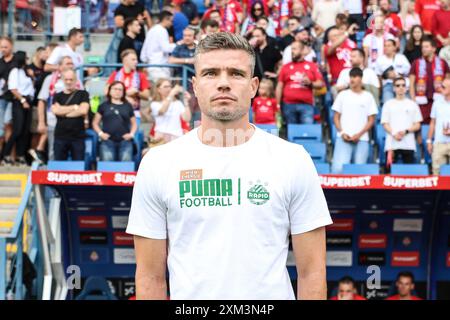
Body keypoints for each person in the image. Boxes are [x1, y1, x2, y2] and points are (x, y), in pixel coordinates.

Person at [126, 32, 332, 300]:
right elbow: (150, 277)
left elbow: (312, 272)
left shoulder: (292, 159)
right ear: (195, 86)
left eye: (235, 73)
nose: (223, 83)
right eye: (211, 73)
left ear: (254, 86)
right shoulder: (158, 163)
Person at [331, 67, 378, 174]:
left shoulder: (368, 96)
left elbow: (371, 120)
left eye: (355, 77)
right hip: (343, 137)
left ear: (361, 79)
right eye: (351, 77)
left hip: (362, 139)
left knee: (360, 173)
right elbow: (336, 117)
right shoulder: (342, 95)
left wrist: (359, 134)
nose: (352, 79)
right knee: (338, 170)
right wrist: (342, 133)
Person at [276, 41, 324, 125]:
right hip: (288, 105)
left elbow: (321, 84)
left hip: (306, 105)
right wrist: (277, 104)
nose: (292, 51)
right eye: (291, 49)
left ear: (302, 51)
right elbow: (279, 87)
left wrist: (310, 83)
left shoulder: (312, 65)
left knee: (306, 133)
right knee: (291, 134)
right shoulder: (285, 67)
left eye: (294, 49)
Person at [1, 51, 34, 166]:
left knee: (25, 131)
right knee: (17, 130)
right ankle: (5, 155)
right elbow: (13, 89)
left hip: (28, 100)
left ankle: (20, 155)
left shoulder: (26, 72)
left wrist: (32, 76)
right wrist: (22, 100)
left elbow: (30, 86)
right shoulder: (15, 71)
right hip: (19, 101)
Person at [381, 77, 423, 166]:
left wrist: (405, 131)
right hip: (391, 145)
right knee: (389, 176)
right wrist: (394, 134)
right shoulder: (388, 104)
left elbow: (418, 124)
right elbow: (385, 123)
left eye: (403, 85)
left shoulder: (413, 104)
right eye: (398, 85)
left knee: (408, 176)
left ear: (406, 88)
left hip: (408, 144)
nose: (401, 87)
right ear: (393, 88)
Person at [92, 81, 137, 162]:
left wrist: (131, 134)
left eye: (120, 89)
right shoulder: (103, 106)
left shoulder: (128, 106)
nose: (117, 91)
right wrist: (101, 134)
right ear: (109, 91)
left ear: (123, 92)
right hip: (107, 141)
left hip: (125, 141)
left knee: (125, 167)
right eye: (115, 89)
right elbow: (95, 123)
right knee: (107, 167)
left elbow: (134, 123)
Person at [51, 69, 90, 161]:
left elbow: (84, 110)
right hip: (60, 135)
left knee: (78, 165)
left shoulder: (83, 94)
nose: (68, 82)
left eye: (71, 79)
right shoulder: (57, 96)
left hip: (78, 136)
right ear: (63, 80)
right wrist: (75, 107)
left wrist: (63, 112)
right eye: (66, 79)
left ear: (76, 80)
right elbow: (56, 111)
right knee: (59, 165)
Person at [409, 37, 450, 124]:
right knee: (420, 125)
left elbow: (447, 82)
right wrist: (413, 99)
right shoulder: (416, 63)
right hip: (421, 102)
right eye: (423, 47)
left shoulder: (442, 62)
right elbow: (411, 83)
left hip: (439, 100)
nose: (424, 49)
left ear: (434, 48)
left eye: (426, 47)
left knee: (439, 124)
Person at [108, 49, 150, 120]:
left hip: (134, 113)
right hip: (116, 112)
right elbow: (107, 92)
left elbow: (147, 95)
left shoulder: (141, 75)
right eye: (133, 60)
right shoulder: (115, 75)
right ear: (125, 60)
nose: (136, 62)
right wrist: (125, 96)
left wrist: (137, 92)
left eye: (136, 60)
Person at [140, 10, 176, 81]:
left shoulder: (152, 30)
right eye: (171, 21)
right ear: (165, 19)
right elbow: (166, 48)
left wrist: (146, 64)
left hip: (151, 66)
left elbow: (144, 52)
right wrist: (178, 45)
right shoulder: (162, 30)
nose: (171, 24)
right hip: (159, 67)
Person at [374, 39, 411, 104]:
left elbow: (409, 71)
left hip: (402, 84)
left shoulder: (401, 57)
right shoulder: (380, 59)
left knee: (407, 103)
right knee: (387, 103)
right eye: (385, 46)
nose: (386, 48)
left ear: (394, 47)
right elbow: (378, 76)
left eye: (389, 46)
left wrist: (397, 73)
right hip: (388, 85)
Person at [427, 78, 450, 175]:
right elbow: (433, 123)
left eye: (444, 87)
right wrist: (429, 141)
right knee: (436, 174)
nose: (441, 88)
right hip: (439, 142)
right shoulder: (437, 103)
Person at [0, 37, 16, 156]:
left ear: (11, 46)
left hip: (13, 99)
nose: (3, 49)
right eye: (1, 47)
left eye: (5, 46)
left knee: (8, 125)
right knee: (1, 129)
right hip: (1, 99)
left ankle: (10, 156)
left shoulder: (17, 61)